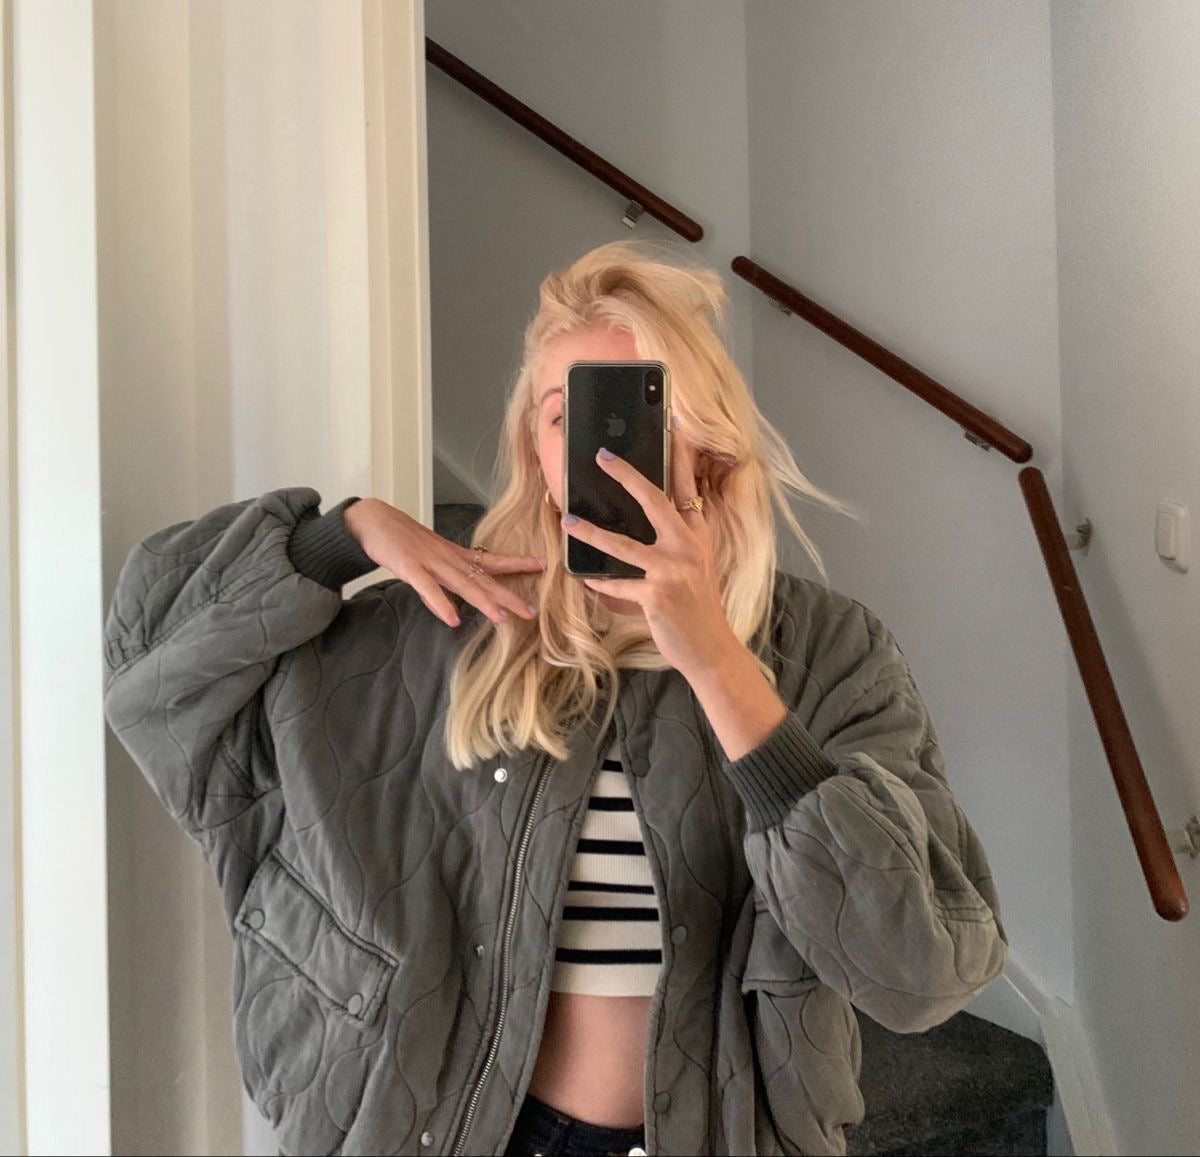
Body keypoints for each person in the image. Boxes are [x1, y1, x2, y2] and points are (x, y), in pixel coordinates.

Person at [102, 239, 1007, 1157]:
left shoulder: (827, 650)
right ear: (534, 451)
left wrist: (716, 662)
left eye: (634, 408)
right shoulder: (439, 627)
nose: (597, 446)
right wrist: (340, 538)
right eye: (561, 414)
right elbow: (156, 672)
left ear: (703, 438)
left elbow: (922, 969)